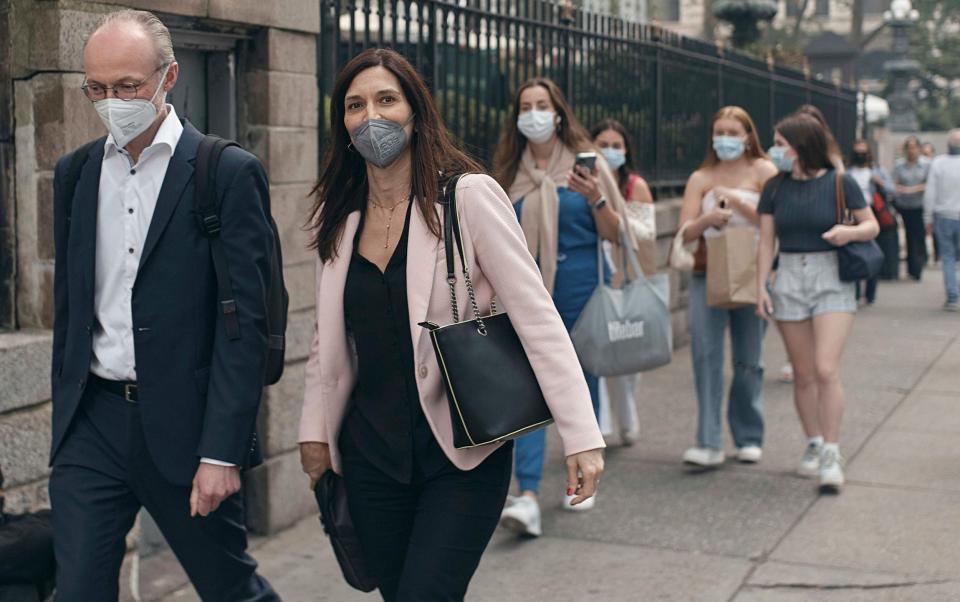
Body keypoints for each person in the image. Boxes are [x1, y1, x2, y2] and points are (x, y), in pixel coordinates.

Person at [297, 49, 604, 600]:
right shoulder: (338, 218)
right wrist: (314, 431)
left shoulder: (468, 196)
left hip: (462, 451)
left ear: (416, 111)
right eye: (355, 104)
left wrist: (581, 433)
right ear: (341, 123)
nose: (371, 116)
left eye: (387, 99)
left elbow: (537, 317)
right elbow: (329, 339)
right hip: (369, 455)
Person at [49, 10, 279, 600]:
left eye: (127, 86)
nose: (111, 101)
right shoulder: (75, 174)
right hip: (93, 424)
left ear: (169, 76)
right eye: (96, 88)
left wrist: (222, 451)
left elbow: (244, 326)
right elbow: (73, 306)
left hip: (186, 426)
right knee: (76, 589)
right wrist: (66, 424)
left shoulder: (223, 172)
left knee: (229, 587)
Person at [490, 77, 631, 533]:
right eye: (525, 106)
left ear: (558, 113)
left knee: (579, 383)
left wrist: (597, 199)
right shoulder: (508, 174)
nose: (533, 113)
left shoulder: (587, 166)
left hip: (580, 287)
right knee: (529, 390)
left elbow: (616, 233)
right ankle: (527, 493)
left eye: (541, 105)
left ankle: (582, 479)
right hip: (527, 292)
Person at [757, 113, 879, 493]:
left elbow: (871, 225)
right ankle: (812, 442)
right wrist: (761, 285)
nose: (775, 150)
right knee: (804, 371)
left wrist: (849, 232)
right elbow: (766, 242)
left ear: (801, 146)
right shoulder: (774, 188)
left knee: (827, 369)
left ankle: (831, 450)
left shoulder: (840, 182)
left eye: (780, 143)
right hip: (789, 275)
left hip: (831, 275)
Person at [676, 107, 778, 467]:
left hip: (754, 274)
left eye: (733, 132)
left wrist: (735, 202)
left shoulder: (764, 172)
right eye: (719, 131)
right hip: (709, 272)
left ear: (749, 136)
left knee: (749, 358)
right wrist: (708, 218)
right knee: (706, 356)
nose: (725, 138)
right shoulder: (700, 177)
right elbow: (684, 232)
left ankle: (748, 434)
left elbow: (774, 222)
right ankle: (708, 440)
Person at [590, 118, 657, 446]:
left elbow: (646, 233)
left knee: (628, 354)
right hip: (596, 275)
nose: (610, 151)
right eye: (603, 144)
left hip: (627, 275)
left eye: (617, 145)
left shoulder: (635, 186)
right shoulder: (583, 182)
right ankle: (601, 424)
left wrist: (613, 218)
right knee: (600, 351)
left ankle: (627, 412)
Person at [777, 105, 846, 385]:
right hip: (791, 257)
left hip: (826, 258)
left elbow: (843, 191)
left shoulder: (832, 165)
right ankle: (799, 360)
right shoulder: (780, 179)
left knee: (825, 366)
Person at [847, 140, 897, 303]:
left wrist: (879, 182)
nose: (860, 156)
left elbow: (892, 190)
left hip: (873, 213)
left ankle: (870, 293)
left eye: (863, 153)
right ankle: (854, 292)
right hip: (852, 216)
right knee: (853, 253)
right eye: (857, 153)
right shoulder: (847, 173)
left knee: (874, 252)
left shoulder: (877, 171)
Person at [923, 129, 960, 312]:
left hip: (944, 216)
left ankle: (953, 297)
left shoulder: (939, 163)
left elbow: (930, 193)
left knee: (948, 257)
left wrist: (928, 218)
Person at [894, 136, 931, 281]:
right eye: (909, 147)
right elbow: (894, 183)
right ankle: (912, 268)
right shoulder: (899, 165)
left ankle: (920, 264)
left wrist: (912, 189)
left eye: (914, 147)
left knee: (920, 235)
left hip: (921, 204)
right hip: (904, 205)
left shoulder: (927, 165)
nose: (912, 150)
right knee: (910, 236)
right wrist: (904, 189)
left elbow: (930, 183)